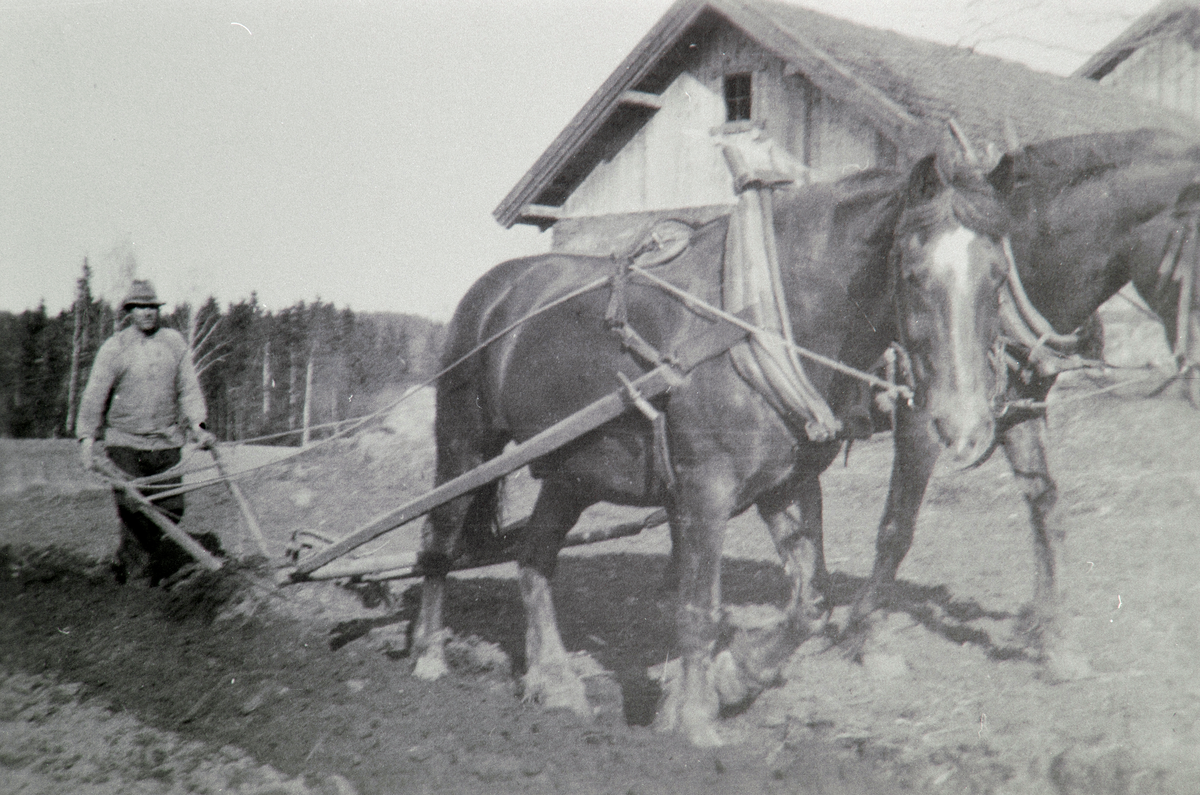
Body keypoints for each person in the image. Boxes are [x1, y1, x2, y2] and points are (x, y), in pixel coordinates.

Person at [76, 279, 222, 585]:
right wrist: (87, 440)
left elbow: (189, 389)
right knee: (135, 510)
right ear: (129, 311)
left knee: (172, 508)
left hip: (166, 441)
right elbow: (94, 396)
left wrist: (199, 428)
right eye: (140, 307)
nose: (146, 313)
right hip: (125, 443)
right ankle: (137, 585)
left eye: (152, 307)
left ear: (158, 310)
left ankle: (136, 561)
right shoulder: (115, 348)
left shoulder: (174, 343)